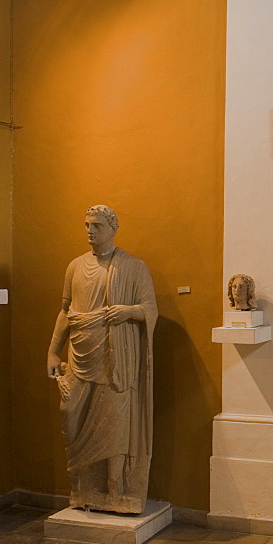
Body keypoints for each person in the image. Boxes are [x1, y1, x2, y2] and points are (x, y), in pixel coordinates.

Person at [47, 205, 157, 514]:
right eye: (86, 225)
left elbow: (150, 308)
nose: (89, 231)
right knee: (71, 415)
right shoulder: (75, 266)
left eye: (96, 225)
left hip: (116, 361)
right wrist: (53, 350)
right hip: (80, 355)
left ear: (112, 228)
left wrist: (128, 311)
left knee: (115, 424)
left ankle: (116, 490)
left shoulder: (133, 267)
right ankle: (83, 488)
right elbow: (66, 311)